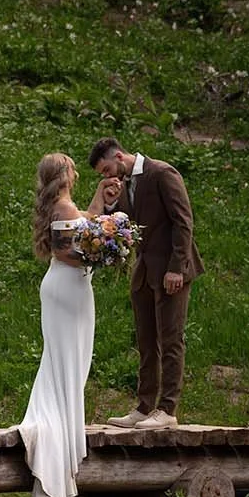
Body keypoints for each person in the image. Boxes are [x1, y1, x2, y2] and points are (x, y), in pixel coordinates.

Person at [17, 152, 111, 497]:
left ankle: (60, 431)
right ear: (64, 174)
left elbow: (85, 223)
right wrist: (104, 253)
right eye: (72, 167)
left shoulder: (61, 206)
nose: (76, 171)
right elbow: (70, 250)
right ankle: (54, 447)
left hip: (63, 290)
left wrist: (102, 200)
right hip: (69, 292)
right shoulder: (64, 209)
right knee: (68, 364)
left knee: (63, 363)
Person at [89, 136, 203, 429]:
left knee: (170, 338)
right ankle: (144, 406)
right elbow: (130, 224)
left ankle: (167, 409)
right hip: (144, 271)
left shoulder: (162, 173)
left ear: (118, 156)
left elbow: (183, 221)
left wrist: (177, 267)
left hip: (170, 270)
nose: (107, 176)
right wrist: (113, 204)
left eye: (106, 169)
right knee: (145, 341)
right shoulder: (127, 182)